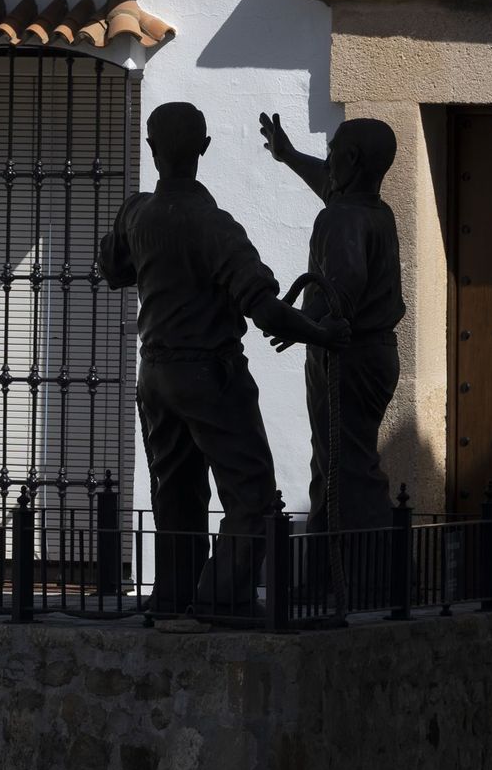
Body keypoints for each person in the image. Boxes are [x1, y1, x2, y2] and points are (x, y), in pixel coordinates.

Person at [98, 103, 349, 618]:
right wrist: (322, 333)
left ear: (150, 149)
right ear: (205, 148)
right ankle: (220, 598)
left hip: (156, 376)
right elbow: (264, 310)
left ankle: (172, 596)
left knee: (176, 490)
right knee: (252, 494)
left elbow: (114, 268)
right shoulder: (216, 227)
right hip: (211, 375)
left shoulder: (136, 213)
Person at [259, 113, 406, 538]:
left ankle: (368, 578)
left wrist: (301, 324)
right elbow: (328, 184)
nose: (326, 163)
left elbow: (344, 291)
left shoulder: (341, 218)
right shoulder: (374, 211)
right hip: (374, 355)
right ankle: (330, 570)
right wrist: (286, 156)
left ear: (352, 158)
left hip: (348, 358)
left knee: (346, 468)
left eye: (332, 154)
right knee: (335, 461)